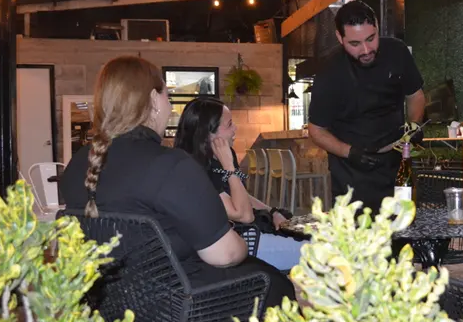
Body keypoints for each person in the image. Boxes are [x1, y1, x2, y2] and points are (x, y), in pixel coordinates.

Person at [60, 56, 295, 306]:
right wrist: (243, 241)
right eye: (168, 97)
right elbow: (226, 254)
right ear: (152, 100)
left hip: (111, 301)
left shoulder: (77, 165)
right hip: (178, 302)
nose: (171, 107)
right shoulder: (171, 165)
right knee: (277, 285)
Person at [308, 0, 426, 214]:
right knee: (359, 242)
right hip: (351, 172)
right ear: (339, 38)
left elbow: (415, 95)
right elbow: (316, 130)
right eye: (355, 43)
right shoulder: (329, 71)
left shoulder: (397, 52)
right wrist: (350, 152)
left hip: (396, 166)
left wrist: (414, 125)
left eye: (371, 39)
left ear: (377, 28)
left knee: (402, 235)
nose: (366, 50)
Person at [173, 97, 307, 273]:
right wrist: (229, 167)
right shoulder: (196, 170)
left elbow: (240, 195)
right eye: (229, 124)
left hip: (253, 232)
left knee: (314, 239)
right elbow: (243, 215)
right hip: (242, 243)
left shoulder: (223, 156)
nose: (235, 128)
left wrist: (272, 211)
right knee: (323, 253)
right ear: (208, 133)